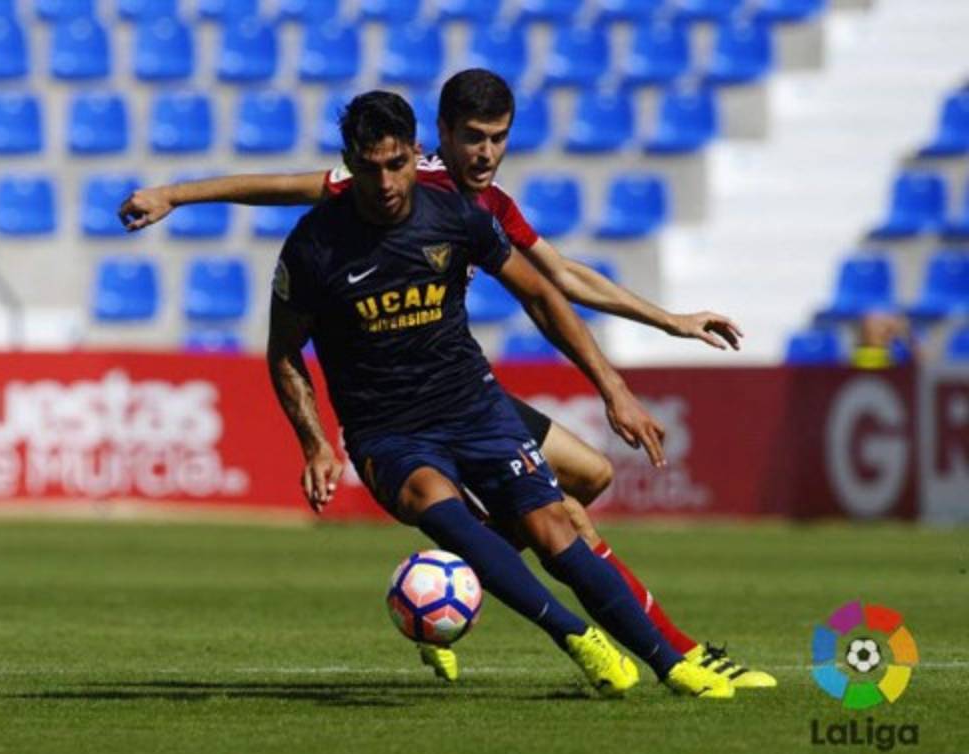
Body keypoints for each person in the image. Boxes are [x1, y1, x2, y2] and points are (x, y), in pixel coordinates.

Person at [118, 69, 774, 690]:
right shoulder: (391, 180)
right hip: (395, 409)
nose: (485, 153)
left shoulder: (486, 207)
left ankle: (450, 585)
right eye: (472, 137)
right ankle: (674, 650)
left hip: (460, 391)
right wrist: (174, 194)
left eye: (498, 138)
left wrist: (666, 323)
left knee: (588, 480)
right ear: (441, 135)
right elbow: (280, 187)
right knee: (554, 516)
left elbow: (558, 280)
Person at [263, 90, 733, 699]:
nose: (384, 182)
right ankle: (576, 637)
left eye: (396, 164)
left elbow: (542, 293)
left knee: (555, 525)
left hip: (473, 405)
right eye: (369, 167)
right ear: (350, 162)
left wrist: (613, 385)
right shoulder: (313, 247)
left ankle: (672, 664)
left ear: (413, 154)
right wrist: (316, 444)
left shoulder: (455, 216)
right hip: (388, 428)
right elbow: (283, 353)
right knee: (438, 501)